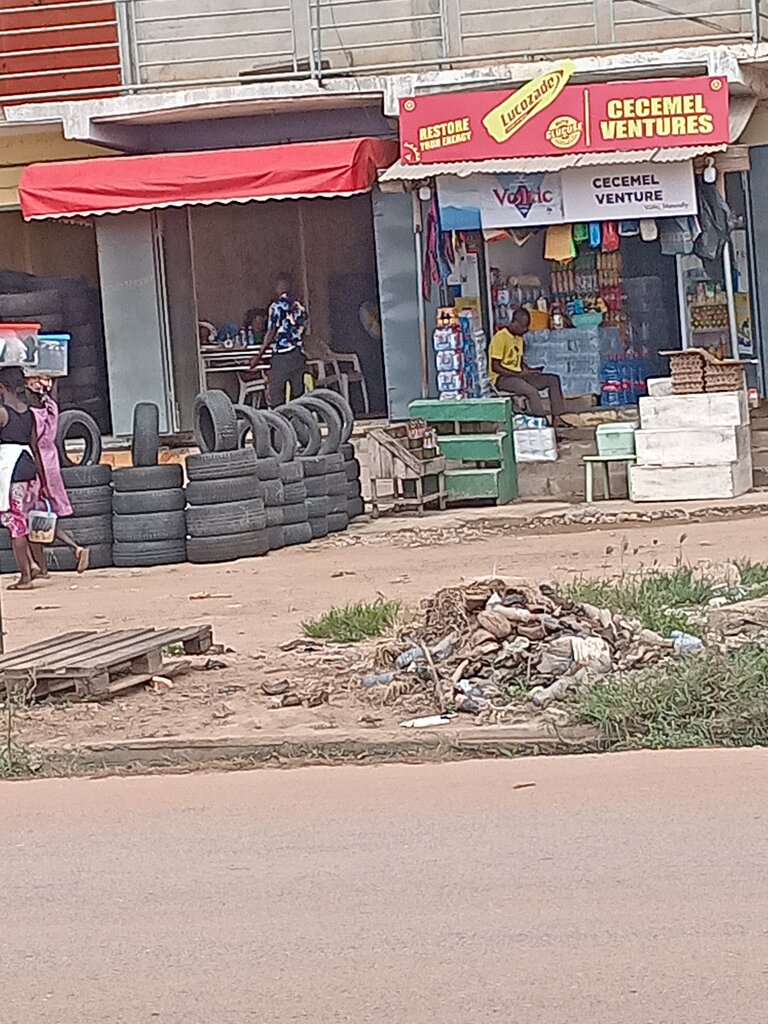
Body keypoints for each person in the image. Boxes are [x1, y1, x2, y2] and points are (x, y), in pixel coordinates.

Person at [27, 378, 89, 574]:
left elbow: (34, 448)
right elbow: (54, 391)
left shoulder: (32, 415)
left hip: (41, 466)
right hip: (53, 461)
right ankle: (43, 568)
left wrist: (42, 481)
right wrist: (53, 378)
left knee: (34, 518)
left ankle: (74, 547)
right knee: (40, 517)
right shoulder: (51, 408)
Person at [0, 366, 44, 590]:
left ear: (2, 387)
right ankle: (33, 565)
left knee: (15, 524)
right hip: (29, 469)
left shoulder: (2, 412)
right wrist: (43, 481)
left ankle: (25, 577)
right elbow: (36, 448)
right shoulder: (29, 413)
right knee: (23, 519)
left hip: (12, 471)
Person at [489, 307, 568, 427]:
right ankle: (542, 422)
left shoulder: (519, 339)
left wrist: (530, 371)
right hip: (502, 378)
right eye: (523, 326)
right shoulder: (500, 337)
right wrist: (517, 374)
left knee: (553, 380)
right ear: (514, 322)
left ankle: (557, 418)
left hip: (519, 375)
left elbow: (519, 363)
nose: (526, 330)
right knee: (532, 392)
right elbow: (495, 367)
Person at [255, 275, 308, 407]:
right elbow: (303, 329)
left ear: (279, 287)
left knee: (277, 392)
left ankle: (280, 419)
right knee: (298, 393)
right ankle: (299, 417)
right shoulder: (300, 306)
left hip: (282, 354)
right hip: (298, 354)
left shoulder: (276, 306)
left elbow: (271, 331)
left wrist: (259, 355)